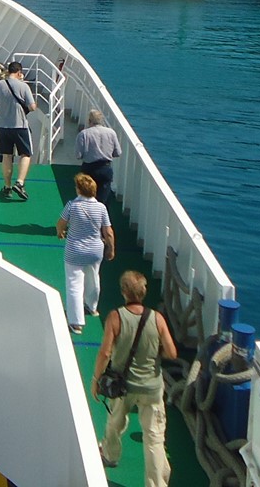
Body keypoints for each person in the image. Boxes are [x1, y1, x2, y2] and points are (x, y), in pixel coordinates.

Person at [94, 270, 178, 486]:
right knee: (154, 438)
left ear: (123, 291)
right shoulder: (157, 318)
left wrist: (96, 379)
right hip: (152, 388)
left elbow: (105, 353)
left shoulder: (115, 317)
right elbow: (171, 353)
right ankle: (157, 483)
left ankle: (110, 455)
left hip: (123, 386)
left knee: (115, 422)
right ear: (143, 292)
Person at [56, 173, 114, 333]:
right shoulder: (101, 208)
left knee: (74, 283)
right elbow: (108, 232)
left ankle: (76, 322)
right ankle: (92, 307)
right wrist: (111, 248)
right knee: (94, 278)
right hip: (95, 250)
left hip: (75, 250)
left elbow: (61, 223)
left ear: (79, 190)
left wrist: (60, 232)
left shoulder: (72, 206)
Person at [0, 61, 35, 200]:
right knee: (25, 154)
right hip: (20, 126)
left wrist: (1, 113)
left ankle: (7, 187)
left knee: (7, 156)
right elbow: (32, 107)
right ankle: (20, 183)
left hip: (3, 126)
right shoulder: (24, 86)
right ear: (19, 72)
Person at [75, 109, 121, 202]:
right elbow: (118, 153)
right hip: (105, 169)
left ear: (89, 121)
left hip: (89, 169)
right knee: (102, 202)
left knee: (85, 199)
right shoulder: (111, 133)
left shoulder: (84, 134)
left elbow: (78, 155)